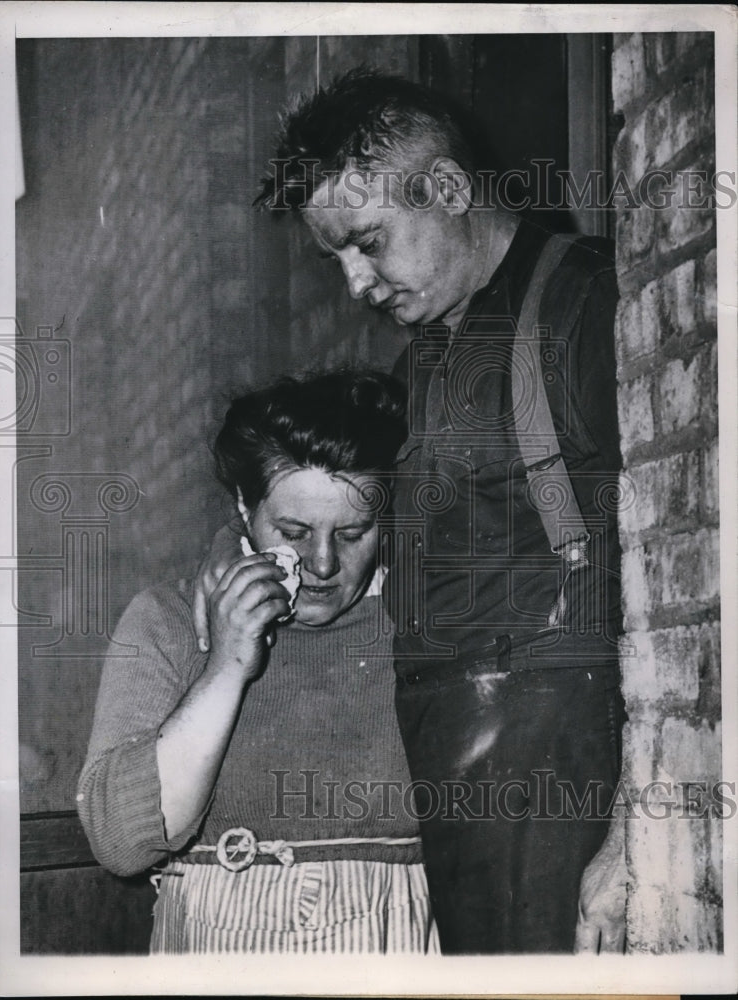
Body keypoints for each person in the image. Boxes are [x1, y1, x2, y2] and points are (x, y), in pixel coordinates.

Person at [194, 70, 628, 954]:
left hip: (561, 767)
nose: (354, 283)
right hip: (453, 760)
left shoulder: (590, 308)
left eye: (368, 242)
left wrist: (637, 822)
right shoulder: (425, 359)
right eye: (335, 258)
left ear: (448, 189)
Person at [77, 369, 439, 955]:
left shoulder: (425, 624)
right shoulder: (167, 620)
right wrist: (225, 665)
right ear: (244, 507)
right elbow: (120, 842)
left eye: (353, 533)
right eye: (294, 531)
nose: (322, 564)